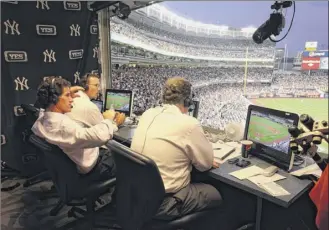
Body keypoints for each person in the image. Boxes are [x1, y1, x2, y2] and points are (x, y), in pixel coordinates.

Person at [131, 77, 222, 223]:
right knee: (215, 194)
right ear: (187, 101)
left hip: (135, 196)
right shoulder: (189, 123)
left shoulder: (148, 114)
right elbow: (204, 165)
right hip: (163, 203)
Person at [32, 76, 121, 180]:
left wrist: (66, 92)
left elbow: (42, 110)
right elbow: (98, 137)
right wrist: (110, 121)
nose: (72, 100)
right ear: (54, 99)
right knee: (126, 163)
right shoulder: (63, 127)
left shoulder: (43, 120)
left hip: (73, 167)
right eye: (67, 96)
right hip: (93, 168)